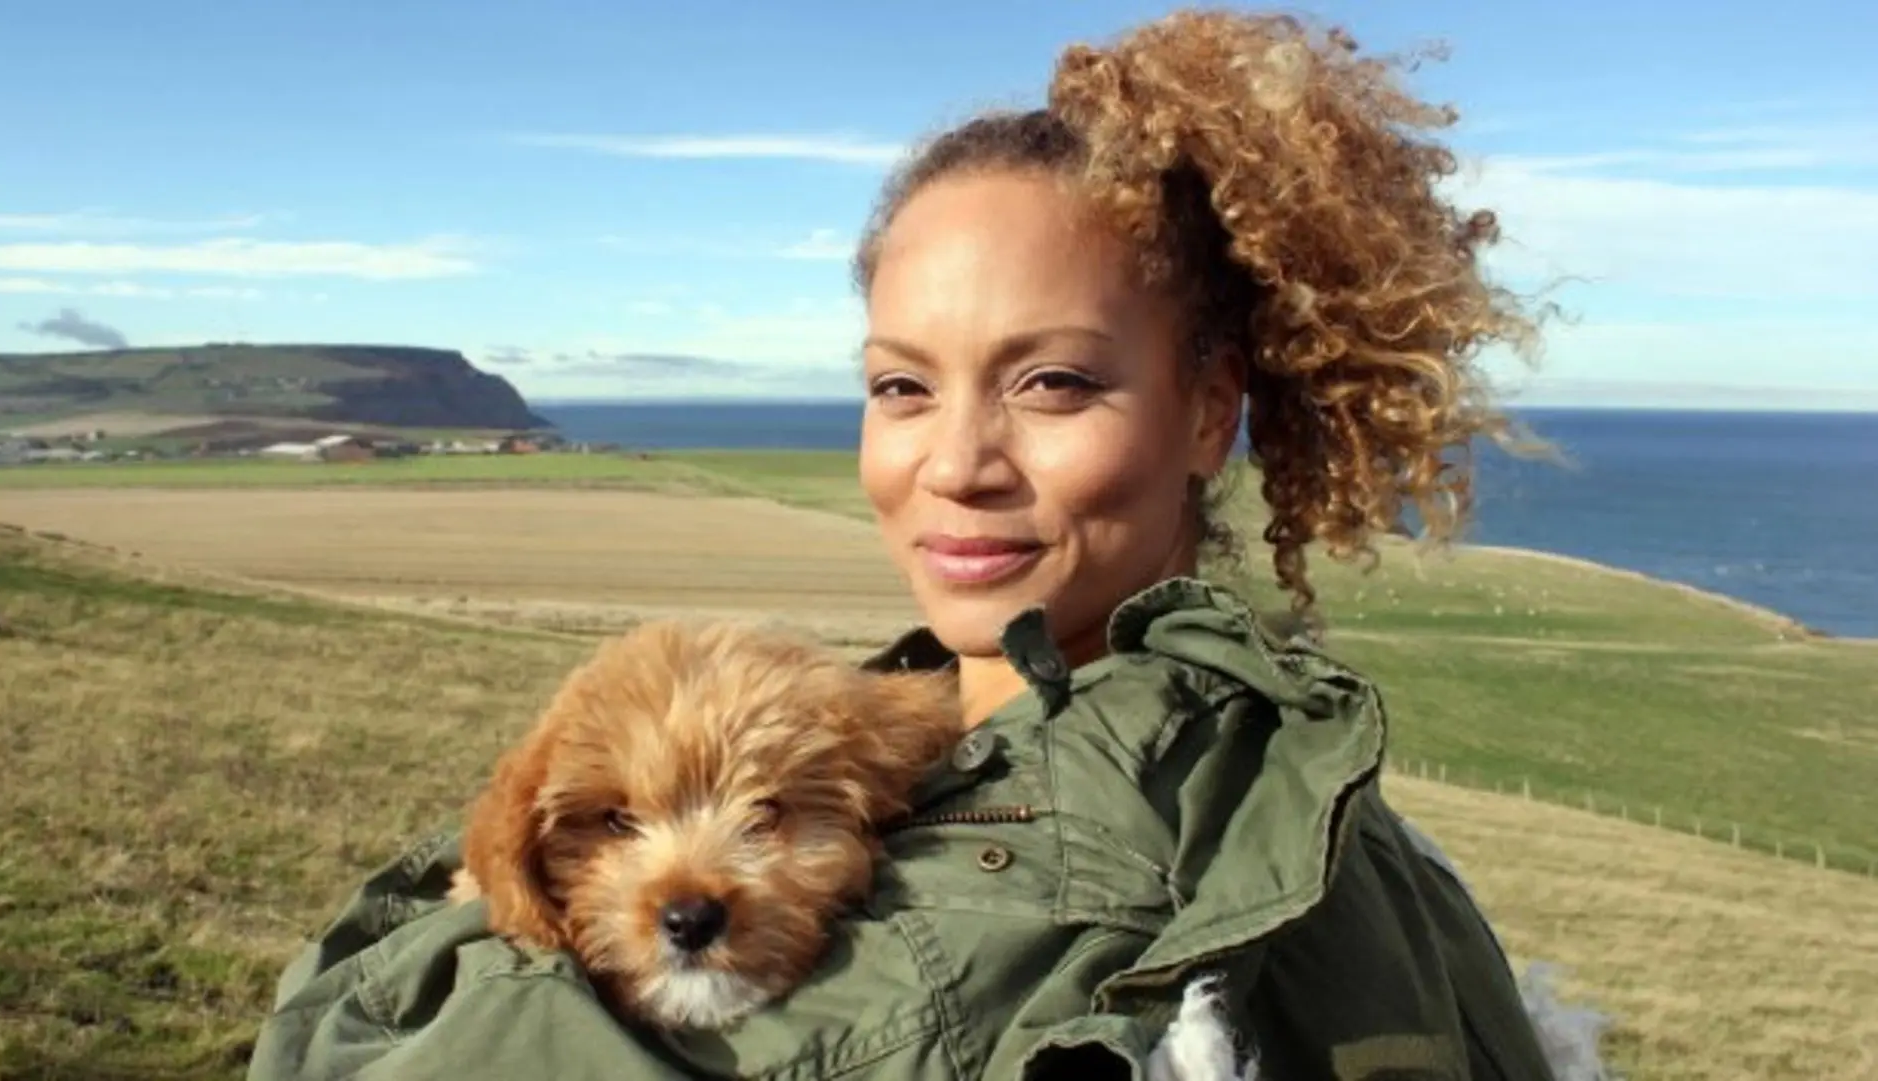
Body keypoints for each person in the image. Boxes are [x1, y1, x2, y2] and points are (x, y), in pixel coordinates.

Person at [248, 10, 1581, 1080]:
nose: (954, 463)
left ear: (1209, 411)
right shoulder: (929, 738)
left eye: (1052, 383)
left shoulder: (1094, 846)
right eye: (901, 387)